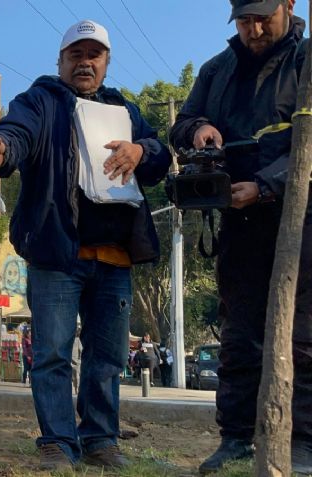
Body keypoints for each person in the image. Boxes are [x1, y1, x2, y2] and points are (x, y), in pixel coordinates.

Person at [0, 20, 171, 471]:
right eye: (75, 55)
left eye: (94, 55)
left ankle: (101, 440)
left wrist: (142, 150)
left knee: (108, 358)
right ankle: (58, 444)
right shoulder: (41, 101)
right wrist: (3, 147)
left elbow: (158, 155)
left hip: (116, 258)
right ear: (60, 62)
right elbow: (17, 131)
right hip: (57, 257)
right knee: (53, 355)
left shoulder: (125, 108)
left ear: (105, 63)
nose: (85, 62)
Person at [169, 0, 311, 473]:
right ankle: (235, 438)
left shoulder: (308, 60)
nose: (253, 29)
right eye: (244, 19)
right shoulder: (217, 70)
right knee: (238, 333)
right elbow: (181, 125)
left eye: (262, 18)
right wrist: (200, 128)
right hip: (238, 218)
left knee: (303, 335)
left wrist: (269, 185)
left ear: (290, 5)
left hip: (299, 218)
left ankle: (304, 443)